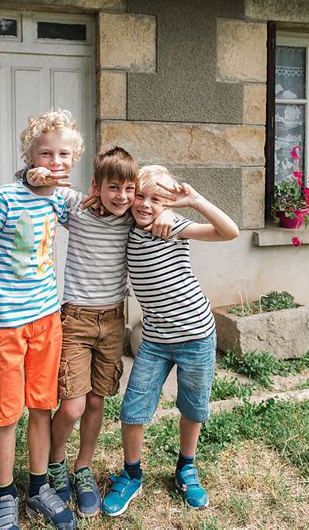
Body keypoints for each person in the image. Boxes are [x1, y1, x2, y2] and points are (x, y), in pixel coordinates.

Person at [25, 147, 173, 519]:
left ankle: (83, 468)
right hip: (75, 318)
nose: (122, 196)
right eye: (113, 188)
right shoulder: (76, 207)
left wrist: (167, 210)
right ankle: (56, 462)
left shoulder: (131, 218)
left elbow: (159, 209)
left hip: (112, 320)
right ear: (96, 186)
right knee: (72, 403)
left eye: (129, 189)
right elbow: (36, 186)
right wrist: (30, 174)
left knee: (95, 401)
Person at [0, 109, 82, 530]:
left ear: (74, 158)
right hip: (3, 326)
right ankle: (4, 496)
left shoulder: (61, 199)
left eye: (64, 153)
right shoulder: (4, 197)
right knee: (6, 414)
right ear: (29, 155)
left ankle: (39, 486)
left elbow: (92, 213)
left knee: (41, 408)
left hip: (47, 322)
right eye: (45, 153)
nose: (55, 161)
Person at [102, 165, 239, 517]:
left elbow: (229, 232)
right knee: (133, 408)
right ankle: (132, 474)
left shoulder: (175, 226)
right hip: (155, 340)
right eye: (140, 196)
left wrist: (193, 201)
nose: (146, 205)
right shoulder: (127, 226)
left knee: (193, 407)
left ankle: (186, 468)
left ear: (168, 204)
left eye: (156, 200)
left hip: (196, 336)